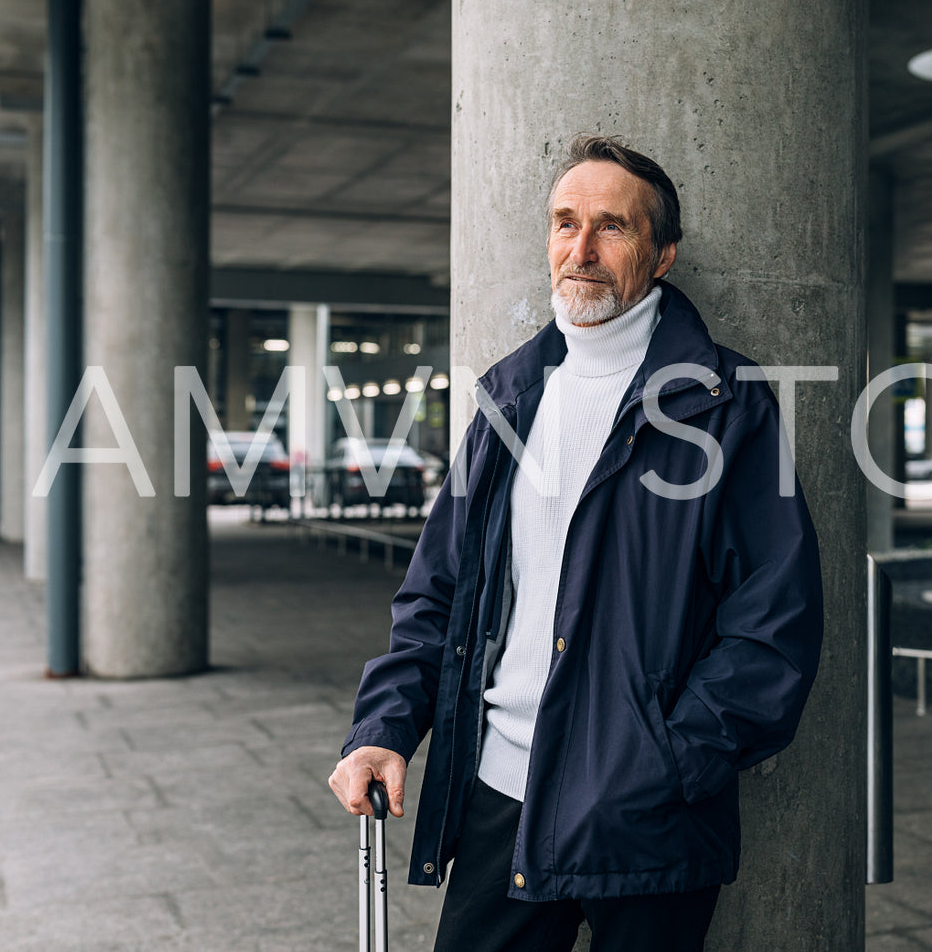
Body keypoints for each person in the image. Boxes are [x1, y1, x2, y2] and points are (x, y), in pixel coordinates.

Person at [328, 134, 823, 952]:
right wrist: (382, 725)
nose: (580, 250)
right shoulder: (507, 396)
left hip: (644, 810)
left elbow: (775, 625)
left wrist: (667, 762)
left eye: (611, 227)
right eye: (564, 223)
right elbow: (435, 593)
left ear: (661, 254)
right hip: (502, 794)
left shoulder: (725, 406)